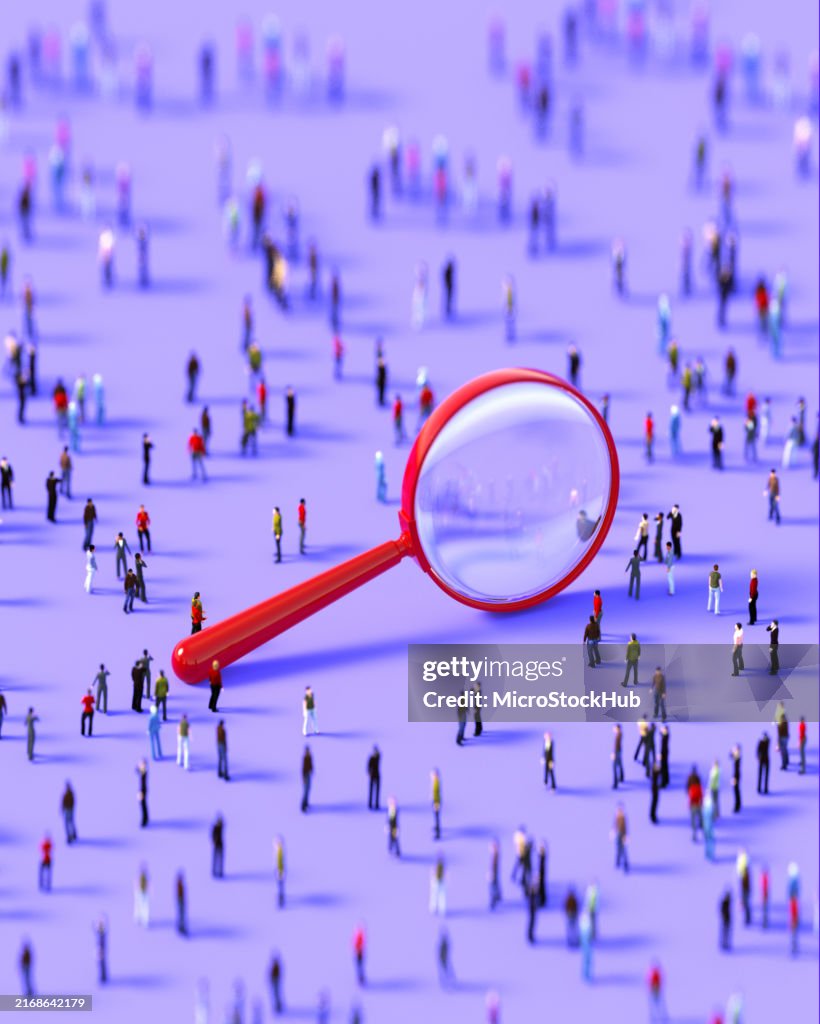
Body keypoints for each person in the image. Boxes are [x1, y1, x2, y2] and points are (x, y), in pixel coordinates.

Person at [613, 805, 629, 872]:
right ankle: (618, 862)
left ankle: (625, 863)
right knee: (618, 849)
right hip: (618, 835)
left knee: (623, 850)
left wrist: (625, 836)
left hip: (622, 835)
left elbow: (625, 828)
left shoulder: (623, 818)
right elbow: (615, 825)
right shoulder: (617, 817)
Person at [93, 916, 108, 984]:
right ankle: (102, 977)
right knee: (100, 964)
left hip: (101, 950)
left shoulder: (102, 933)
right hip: (99, 950)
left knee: (101, 963)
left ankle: (103, 978)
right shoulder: (100, 933)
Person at [612, 724, 624, 789]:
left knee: (614, 767)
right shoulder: (620, 734)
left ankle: (615, 783)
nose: (614, 729)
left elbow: (616, 745)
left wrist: (614, 754)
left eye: (615, 728)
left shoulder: (618, 735)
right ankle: (622, 777)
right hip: (619, 751)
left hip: (617, 752)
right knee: (620, 764)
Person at [301, 745, 313, 812]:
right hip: (306, 775)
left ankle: (306, 803)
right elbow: (303, 769)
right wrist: (303, 778)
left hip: (309, 775)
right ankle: (303, 806)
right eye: (307, 751)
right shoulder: (305, 758)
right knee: (305, 791)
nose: (308, 752)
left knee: (308, 789)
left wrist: (312, 771)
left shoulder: (310, 757)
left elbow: (311, 765)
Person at [136, 759, 148, 827]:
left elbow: (143, 784)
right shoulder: (143, 771)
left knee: (143, 806)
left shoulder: (144, 772)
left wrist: (141, 792)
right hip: (142, 790)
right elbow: (136, 770)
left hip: (142, 790)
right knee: (143, 805)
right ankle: (145, 819)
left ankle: (144, 820)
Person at [431, 767, 442, 838]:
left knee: (437, 816)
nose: (431, 776)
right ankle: (436, 827)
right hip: (435, 801)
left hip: (436, 801)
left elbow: (437, 794)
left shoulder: (436, 783)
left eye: (433, 775)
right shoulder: (435, 782)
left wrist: (436, 803)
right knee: (436, 816)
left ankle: (438, 832)